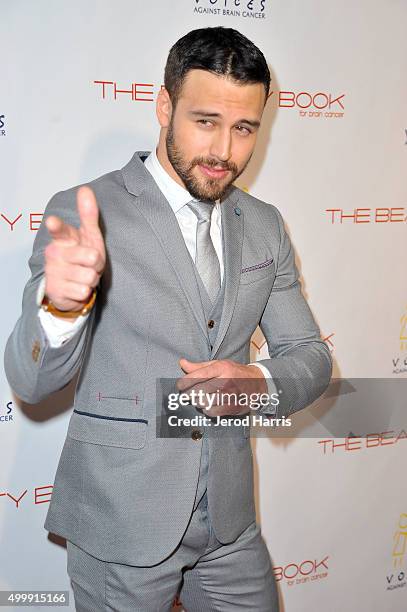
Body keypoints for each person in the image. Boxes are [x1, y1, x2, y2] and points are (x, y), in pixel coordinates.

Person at [4, 26, 332, 611]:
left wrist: (257, 383)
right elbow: (32, 382)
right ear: (164, 105)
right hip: (122, 523)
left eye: (244, 128)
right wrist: (61, 307)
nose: (224, 152)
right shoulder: (89, 212)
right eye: (205, 121)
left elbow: (311, 356)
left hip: (230, 526)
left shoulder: (264, 224)